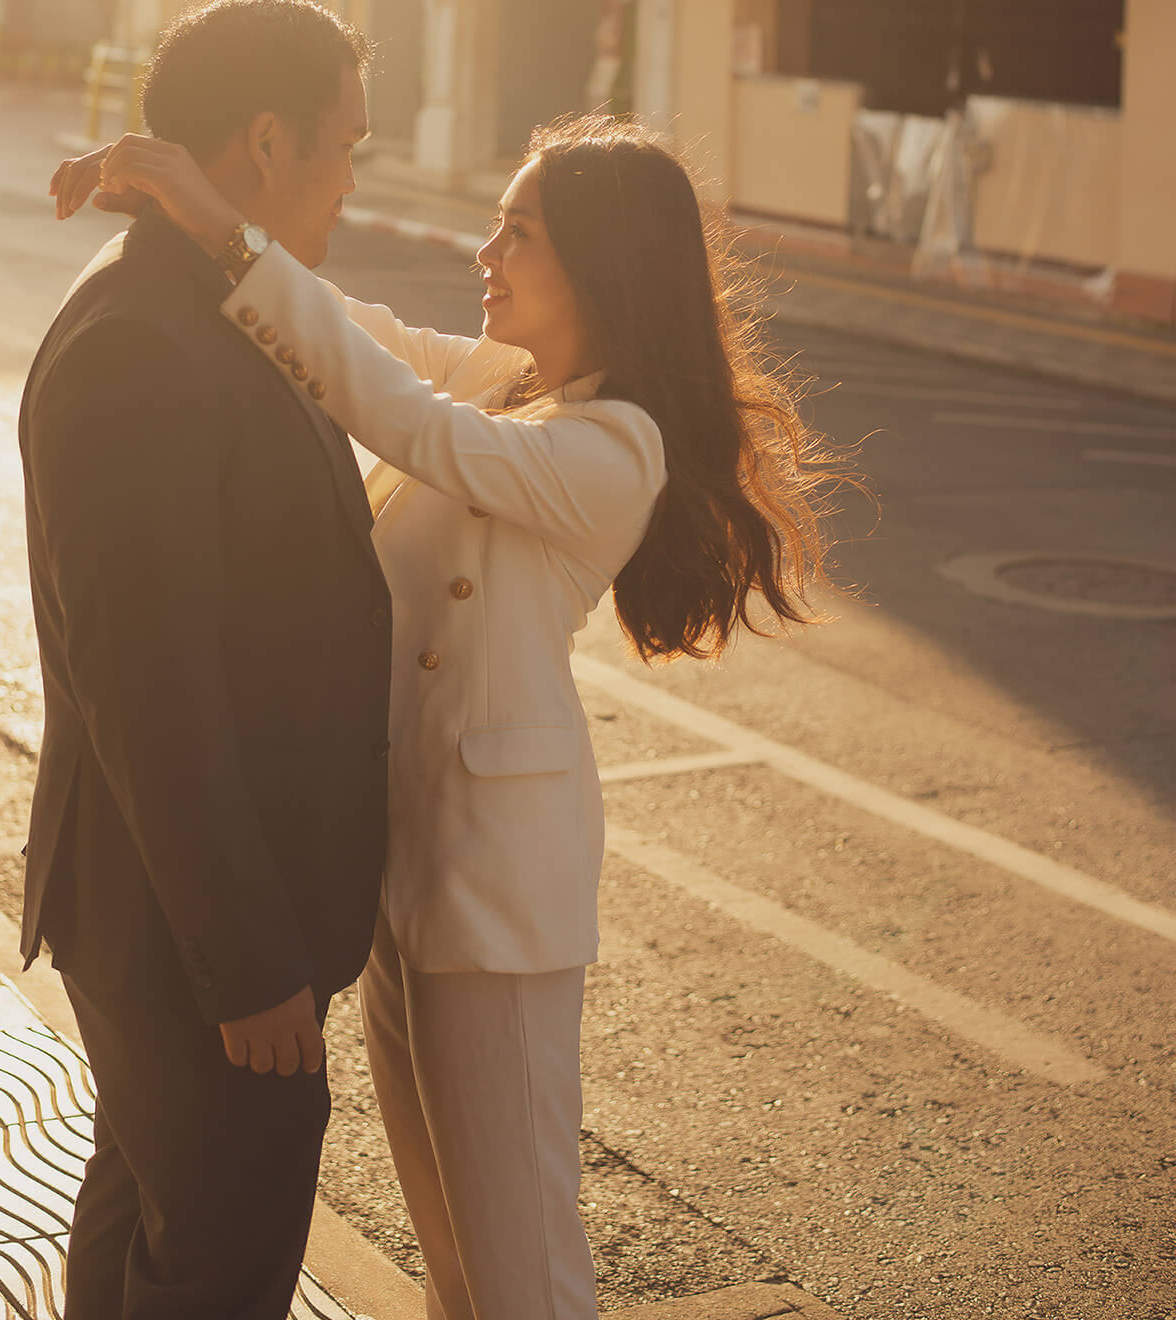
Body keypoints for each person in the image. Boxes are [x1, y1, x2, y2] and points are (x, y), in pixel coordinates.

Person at [54, 103, 837, 1320]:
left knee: (521, 1263)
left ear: (599, 262)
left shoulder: (610, 446)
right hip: (407, 865)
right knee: (455, 1263)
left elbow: (397, 414)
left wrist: (224, 231)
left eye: (515, 234)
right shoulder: (512, 381)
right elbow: (353, 334)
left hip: (497, 891)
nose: (486, 254)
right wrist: (204, 226)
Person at [21, 0, 392, 1320]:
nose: (354, 180)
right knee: (216, 1270)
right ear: (264, 141)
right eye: (345, 146)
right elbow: (152, 691)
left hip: (188, 926)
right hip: (194, 944)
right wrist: (245, 965)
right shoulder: (143, 343)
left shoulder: (214, 302)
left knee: (147, 1237)